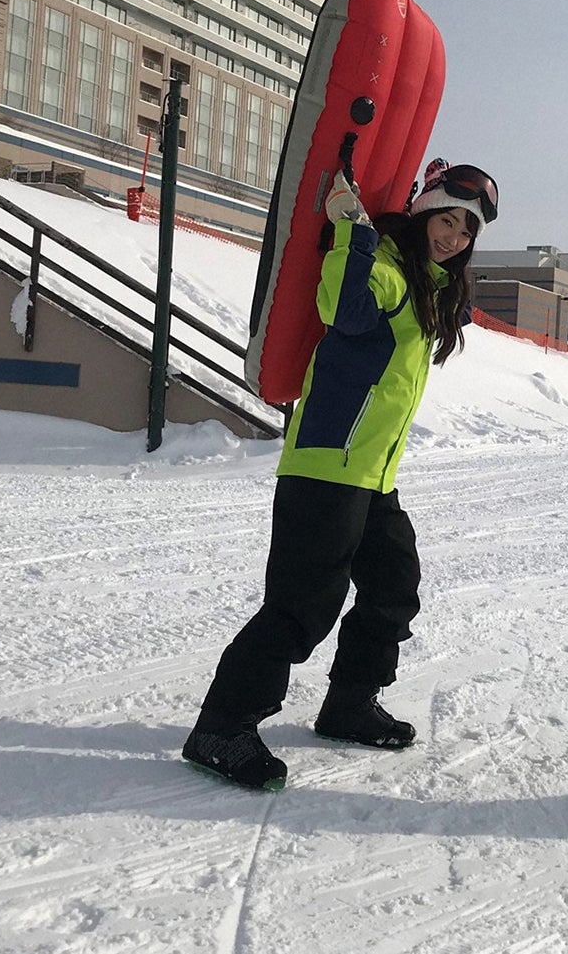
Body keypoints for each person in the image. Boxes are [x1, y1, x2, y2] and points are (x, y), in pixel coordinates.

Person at [182, 158, 499, 790]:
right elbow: (342, 307)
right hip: (328, 462)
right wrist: (352, 230)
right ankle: (222, 725)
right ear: (422, 210)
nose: (454, 236)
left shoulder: (428, 284)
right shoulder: (383, 266)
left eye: (467, 230)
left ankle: (349, 703)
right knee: (304, 603)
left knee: (392, 584)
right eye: (447, 219)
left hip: (371, 474)